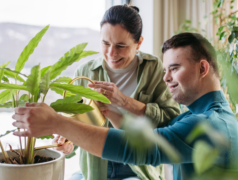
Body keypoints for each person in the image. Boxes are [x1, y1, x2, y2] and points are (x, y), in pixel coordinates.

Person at [12, 32, 238, 180]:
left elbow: (140, 149)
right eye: (165, 70)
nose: (166, 78)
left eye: (174, 69)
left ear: (203, 69)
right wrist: (109, 112)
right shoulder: (200, 116)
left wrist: (57, 122)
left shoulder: (209, 124)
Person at [52, 4, 180, 180]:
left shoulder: (154, 69)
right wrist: (68, 144)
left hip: (137, 168)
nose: (111, 53)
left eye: (121, 46)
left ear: (139, 43)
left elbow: (172, 120)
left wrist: (124, 101)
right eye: (105, 43)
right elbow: (75, 126)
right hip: (94, 168)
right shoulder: (85, 72)